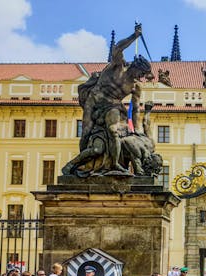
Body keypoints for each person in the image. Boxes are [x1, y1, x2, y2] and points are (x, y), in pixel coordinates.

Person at [62, 23, 151, 176]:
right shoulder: (117, 66)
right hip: (94, 100)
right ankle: (80, 165)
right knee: (86, 133)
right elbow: (117, 48)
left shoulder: (135, 86)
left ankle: (115, 164)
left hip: (113, 106)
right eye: (141, 73)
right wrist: (134, 36)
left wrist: (136, 129)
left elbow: (135, 109)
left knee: (113, 131)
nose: (141, 77)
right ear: (135, 67)